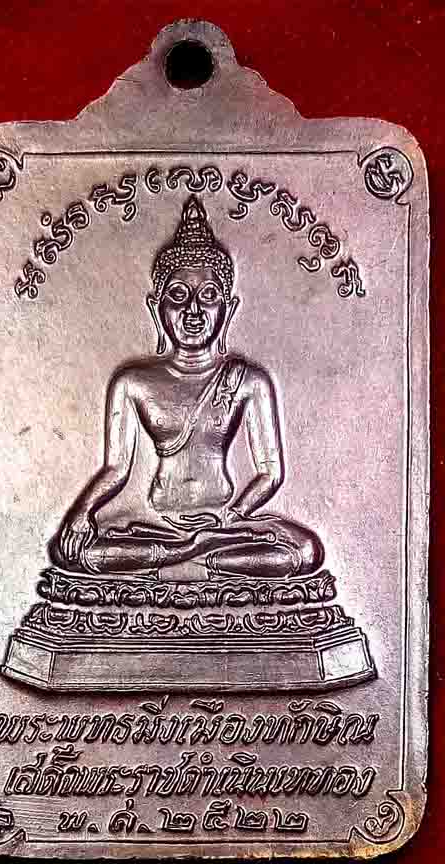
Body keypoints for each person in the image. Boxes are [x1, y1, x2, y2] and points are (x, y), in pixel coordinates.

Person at [52, 197, 324, 580]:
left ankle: (183, 556)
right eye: (178, 296)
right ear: (157, 309)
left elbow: (270, 472)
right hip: (156, 521)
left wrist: (233, 515)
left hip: (224, 522)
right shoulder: (133, 382)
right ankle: (194, 555)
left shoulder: (249, 380)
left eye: (208, 296)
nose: (193, 310)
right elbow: (116, 468)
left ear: (228, 310)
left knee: (307, 551)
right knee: (74, 551)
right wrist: (82, 511)